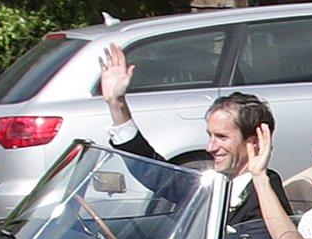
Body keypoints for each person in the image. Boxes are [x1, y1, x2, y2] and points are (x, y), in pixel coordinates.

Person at [99, 43, 292, 226]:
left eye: (222, 137)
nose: (210, 147)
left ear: (255, 142)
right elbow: (155, 173)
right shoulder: (211, 184)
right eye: (210, 136)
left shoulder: (266, 194)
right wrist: (116, 103)